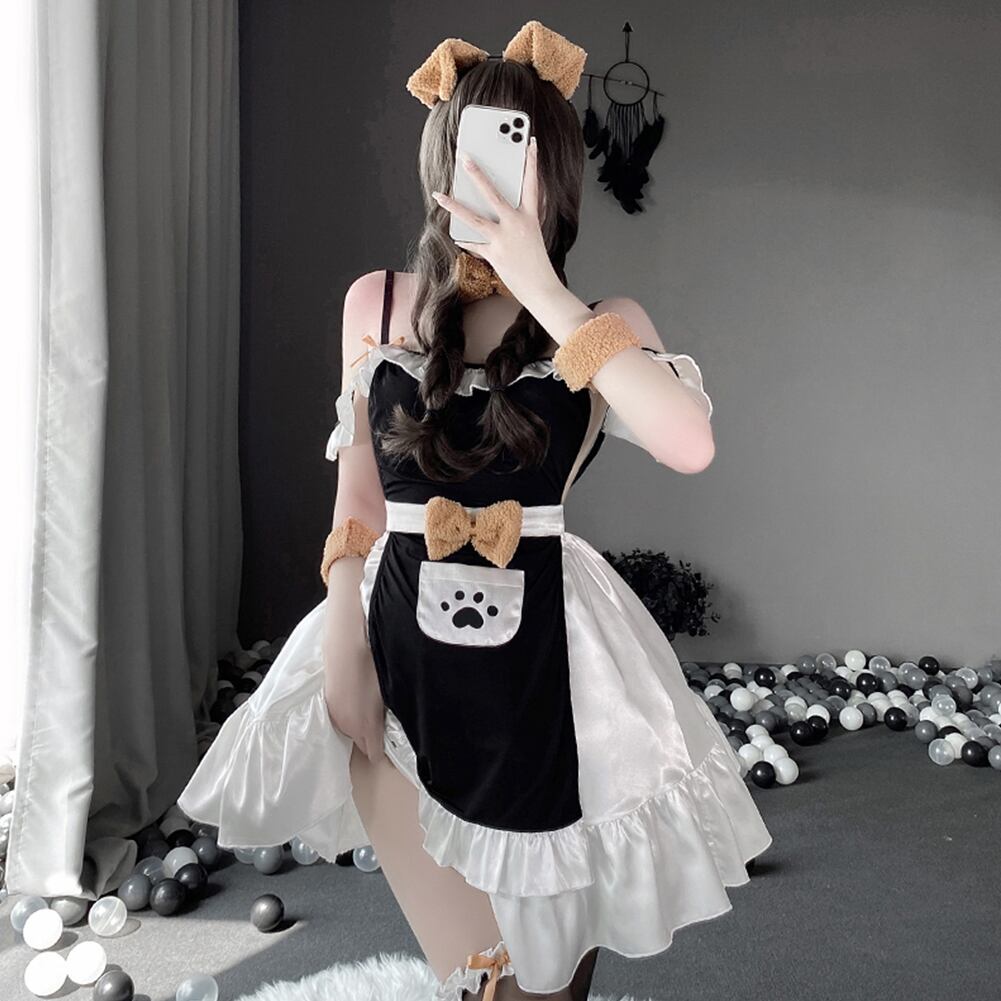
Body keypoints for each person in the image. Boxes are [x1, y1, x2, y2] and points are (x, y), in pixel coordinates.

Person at [178, 19, 773, 1001]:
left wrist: (539, 285)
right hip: (398, 643)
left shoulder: (603, 324)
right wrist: (342, 637)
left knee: (547, 979)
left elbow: (688, 442)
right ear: (440, 159)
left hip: (554, 674)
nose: (491, 171)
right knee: (479, 976)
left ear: (556, 172)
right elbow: (359, 492)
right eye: (472, 144)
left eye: (516, 147)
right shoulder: (377, 305)